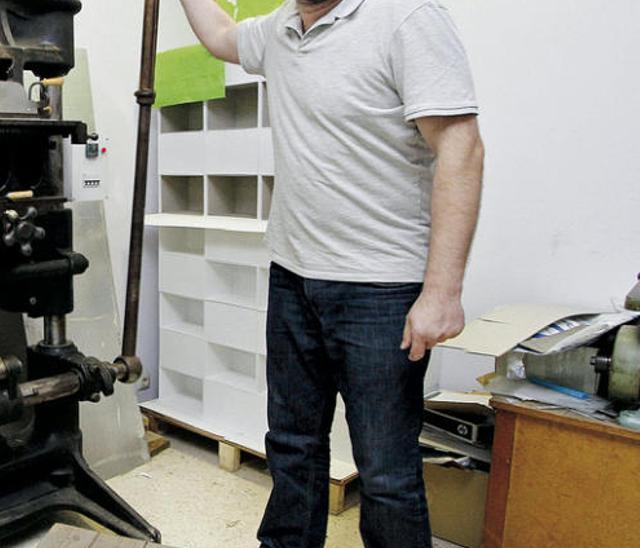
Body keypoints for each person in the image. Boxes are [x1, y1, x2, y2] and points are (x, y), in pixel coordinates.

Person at [174, 0, 485, 546]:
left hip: (382, 287)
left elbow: (461, 148)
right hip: (294, 276)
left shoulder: (407, 18)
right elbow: (221, 35)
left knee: (385, 469)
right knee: (293, 446)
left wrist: (442, 291)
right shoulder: (281, 29)